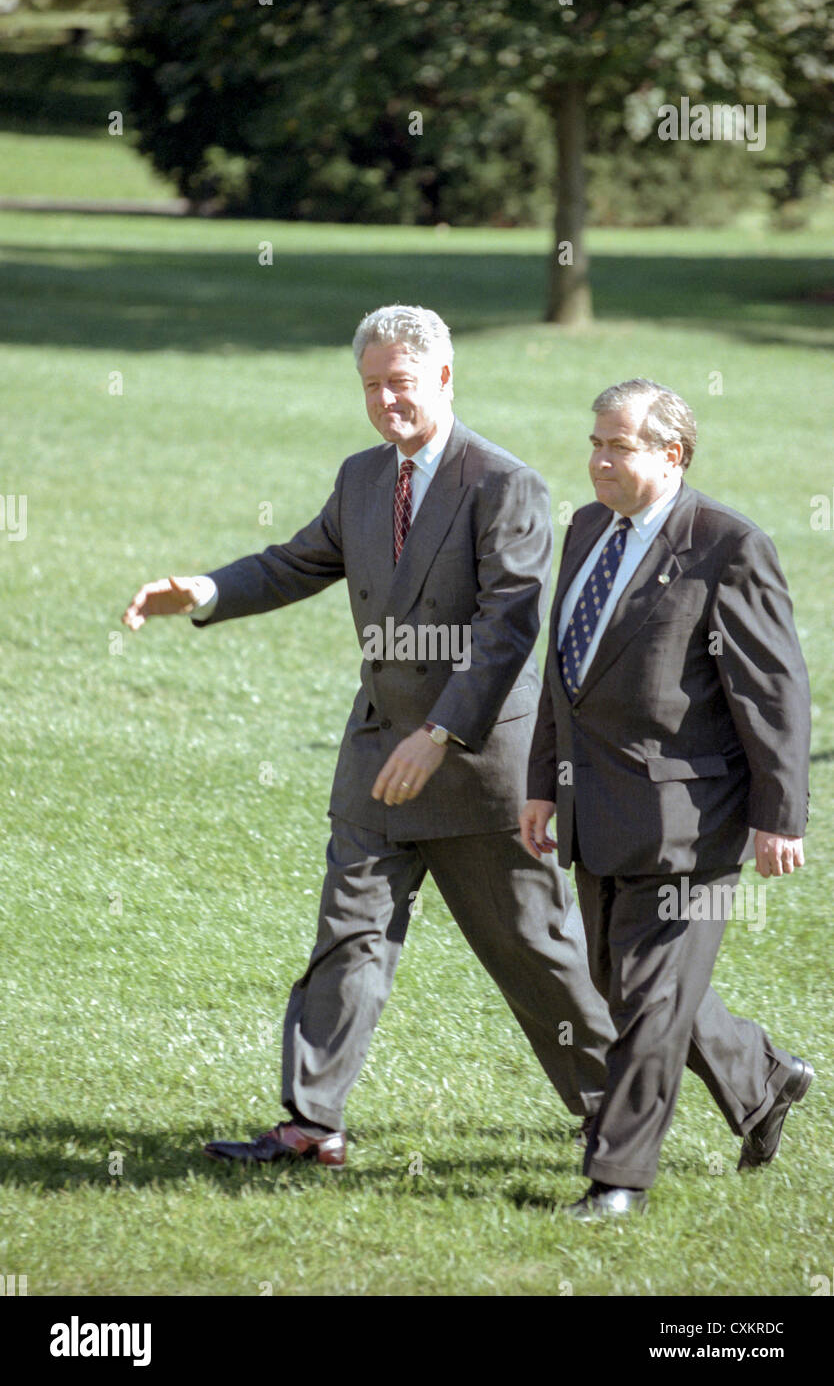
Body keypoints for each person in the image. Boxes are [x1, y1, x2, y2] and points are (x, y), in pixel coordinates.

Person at [123, 304, 615, 1167]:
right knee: (348, 937)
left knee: (535, 954)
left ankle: (623, 1110)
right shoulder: (361, 478)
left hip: (476, 769)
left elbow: (510, 625)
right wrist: (203, 588)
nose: (387, 401)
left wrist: (441, 734)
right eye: (372, 386)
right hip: (376, 759)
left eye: (402, 383)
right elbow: (296, 561)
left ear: (444, 378)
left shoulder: (505, 484)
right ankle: (312, 1123)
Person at [521, 377, 813, 1220]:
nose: (599, 460)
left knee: (648, 1005)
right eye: (596, 443)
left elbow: (773, 693)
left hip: (690, 821)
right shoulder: (585, 529)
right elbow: (562, 677)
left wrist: (778, 816)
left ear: (672, 454)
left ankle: (618, 1181)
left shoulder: (728, 546)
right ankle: (762, 1079)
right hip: (593, 806)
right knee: (628, 986)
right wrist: (542, 782)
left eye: (619, 446)